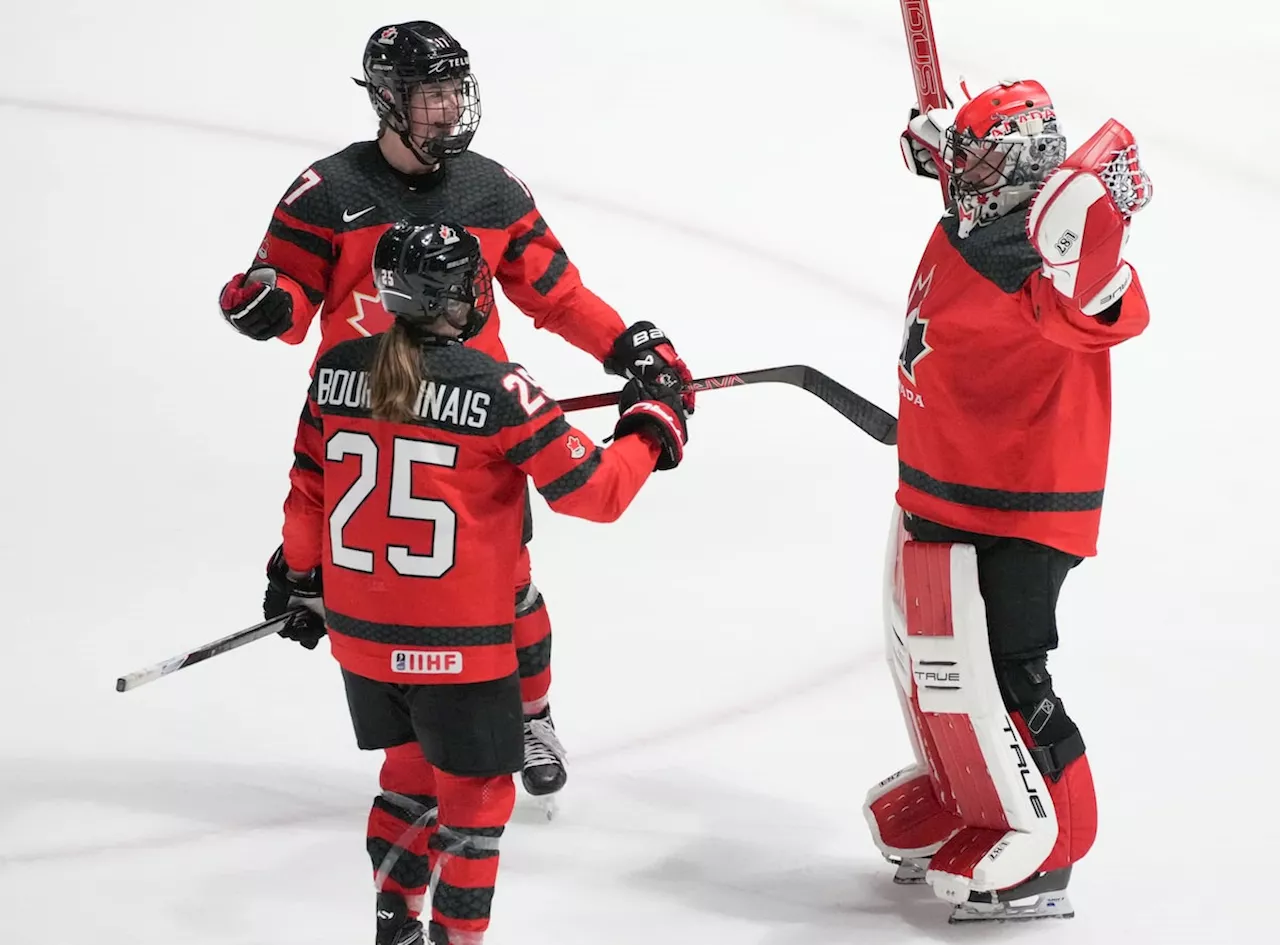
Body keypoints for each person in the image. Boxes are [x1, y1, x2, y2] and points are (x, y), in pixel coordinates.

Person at [217, 20, 695, 801]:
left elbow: (556, 293)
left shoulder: (491, 190)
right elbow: (291, 295)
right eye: (427, 94)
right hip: (364, 418)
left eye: (451, 92)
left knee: (509, 585)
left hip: (475, 424)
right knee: (380, 589)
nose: (445, 110)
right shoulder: (328, 192)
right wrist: (271, 300)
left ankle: (529, 717)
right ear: (385, 99)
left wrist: (626, 350)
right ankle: (415, 760)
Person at [262, 220, 690, 945]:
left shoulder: (335, 369)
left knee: (406, 778)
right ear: (453, 296)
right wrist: (652, 421)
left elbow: (306, 497)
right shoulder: (498, 388)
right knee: (477, 797)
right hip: (457, 645)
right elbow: (596, 492)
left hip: (362, 643)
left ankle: (394, 922)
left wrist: (301, 579)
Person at [864, 79, 1153, 922]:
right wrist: (945, 143)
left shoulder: (1038, 255)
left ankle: (1054, 844)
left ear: (1030, 171)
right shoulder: (980, 210)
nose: (963, 172)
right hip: (941, 482)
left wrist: (1097, 264)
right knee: (927, 667)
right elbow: (952, 173)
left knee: (1004, 672)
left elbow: (1106, 307)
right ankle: (968, 793)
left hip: (1015, 508)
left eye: (983, 159)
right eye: (965, 156)